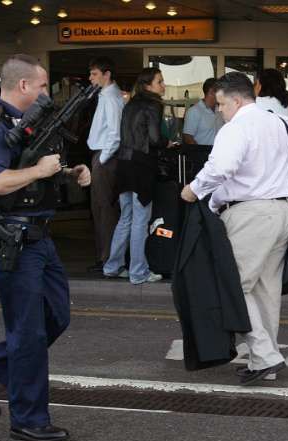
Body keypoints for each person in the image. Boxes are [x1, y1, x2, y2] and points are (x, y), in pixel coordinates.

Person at [0, 54, 91, 441]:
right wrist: (39, 170)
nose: (43, 93)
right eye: (40, 86)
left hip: (39, 238)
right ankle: (29, 419)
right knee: (29, 332)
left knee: (56, 316)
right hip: (13, 240)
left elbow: (27, 172)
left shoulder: (25, 125)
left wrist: (68, 171)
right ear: (22, 87)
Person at [181, 72, 288, 385]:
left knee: (233, 286)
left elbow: (221, 167)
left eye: (220, 104)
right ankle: (265, 360)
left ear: (235, 100)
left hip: (250, 213)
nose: (219, 110)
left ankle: (266, 355)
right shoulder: (279, 122)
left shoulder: (238, 127)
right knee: (265, 290)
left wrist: (194, 188)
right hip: (282, 210)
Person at [103, 68, 168, 284]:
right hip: (141, 165)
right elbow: (154, 138)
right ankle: (138, 272)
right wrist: (168, 142)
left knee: (126, 217)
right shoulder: (154, 104)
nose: (163, 85)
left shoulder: (129, 103)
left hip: (123, 164)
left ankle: (113, 266)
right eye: (160, 81)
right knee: (140, 220)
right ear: (148, 85)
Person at [87, 56, 124, 272]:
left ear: (107, 74)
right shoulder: (105, 95)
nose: (90, 78)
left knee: (105, 209)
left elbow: (115, 134)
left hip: (105, 157)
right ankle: (104, 257)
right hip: (102, 155)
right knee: (100, 208)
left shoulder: (110, 98)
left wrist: (101, 160)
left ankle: (107, 258)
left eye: (94, 74)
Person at [183, 77, 224, 145]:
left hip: (219, 154)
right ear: (211, 92)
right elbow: (188, 138)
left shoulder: (221, 110)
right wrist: (199, 153)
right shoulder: (194, 111)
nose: (222, 94)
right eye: (220, 91)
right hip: (202, 153)